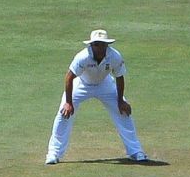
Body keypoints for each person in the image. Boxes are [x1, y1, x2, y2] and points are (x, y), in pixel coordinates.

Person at [46, 29, 149, 165]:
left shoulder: (114, 56)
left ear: (107, 45)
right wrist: (68, 103)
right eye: (96, 44)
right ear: (91, 45)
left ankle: (136, 151)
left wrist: (120, 101)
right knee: (63, 114)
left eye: (102, 44)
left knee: (124, 111)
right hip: (82, 84)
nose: (99, 47)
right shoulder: (82, 57)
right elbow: (69, 77)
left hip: (105, 84)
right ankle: (53, 153)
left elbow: (119, 77)